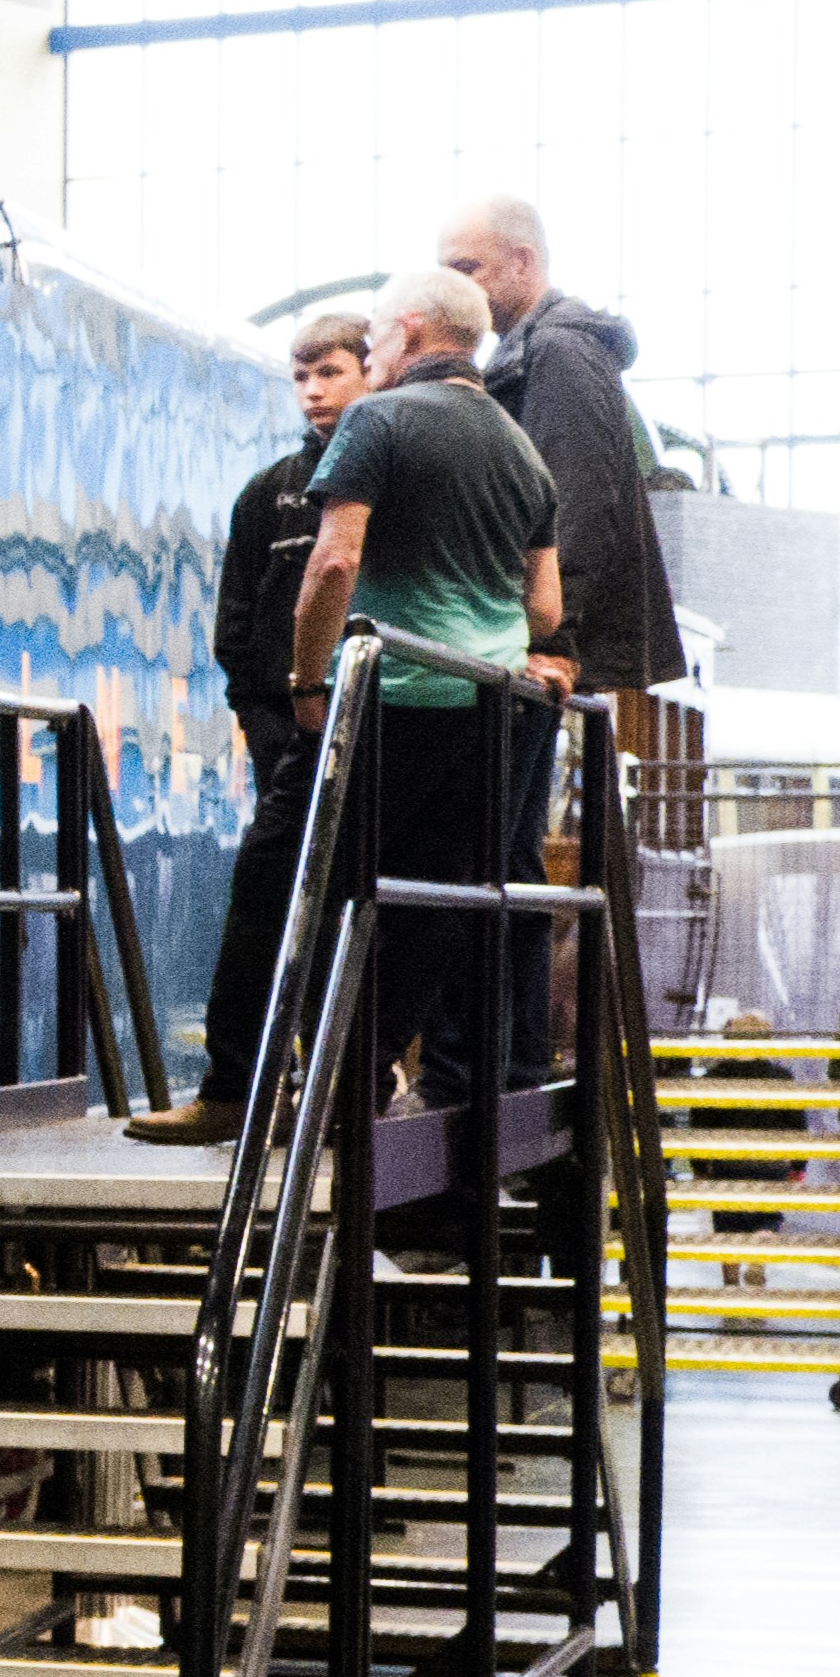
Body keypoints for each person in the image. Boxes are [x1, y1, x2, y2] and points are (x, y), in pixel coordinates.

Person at [287, 269, 574, 1186]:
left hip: (396, 698)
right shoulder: (524, 452)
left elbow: (335, 564)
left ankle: (323, 1085)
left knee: (329, 891)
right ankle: (364, 1077)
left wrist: (306, 677)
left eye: (374, 335)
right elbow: (544, 608)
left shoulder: (379, 422)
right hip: (490, 710)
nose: (370, 350)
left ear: (409, 331)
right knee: (432, 910)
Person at [139, 301, 373, 1139]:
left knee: (344, 904)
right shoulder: (267, 493)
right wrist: (274, 725)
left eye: (331, 372)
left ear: (372, 370)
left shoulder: (390, 480)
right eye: (301, 376)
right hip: (292, 733)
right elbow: (235, 630)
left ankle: (339, 1087)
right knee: (277, 896)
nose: (313, 391)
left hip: (378, 725)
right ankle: (253, 1087)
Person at [444, 195, 684, 825]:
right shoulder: (537, 351)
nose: (454, 287)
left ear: (523, 261)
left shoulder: (557, 351)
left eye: (467, 267)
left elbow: (574, 500)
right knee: (505, 841)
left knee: (501, 839)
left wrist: (552, 637)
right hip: (529, 637)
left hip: (539, 643)